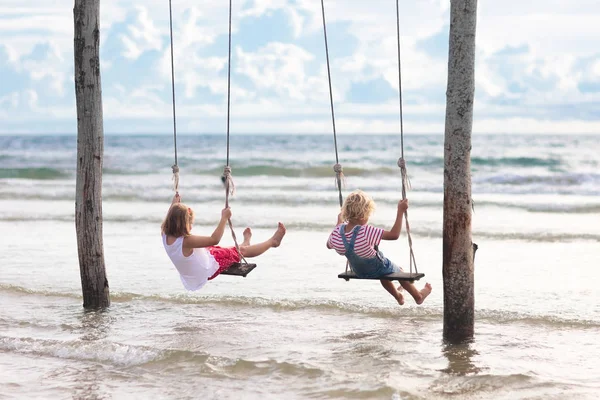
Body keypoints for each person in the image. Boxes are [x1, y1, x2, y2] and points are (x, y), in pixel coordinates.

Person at [327, 190, 432, 306]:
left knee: (386, 274)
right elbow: (394, 235)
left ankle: (399, 296)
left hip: (359, 271)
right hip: (378, 268)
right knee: (399, 272)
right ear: (363, 215)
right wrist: (400, 211)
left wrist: (338, 224)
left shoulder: (337, 232)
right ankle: (418, 296)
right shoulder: (366, 230)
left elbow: (329, 245)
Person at [162, 193, 286, 291]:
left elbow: (169, 218)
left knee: (216, 249)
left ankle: (244, 243)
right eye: (190, 223)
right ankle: (272, 242)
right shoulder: (186, 241)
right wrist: (224, 218)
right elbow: (214, 239)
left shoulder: (164, 233)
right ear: (184, 225)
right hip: (205, 270)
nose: (191, 226)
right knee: (241, 252)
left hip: (191, 272)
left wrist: (173, 204)